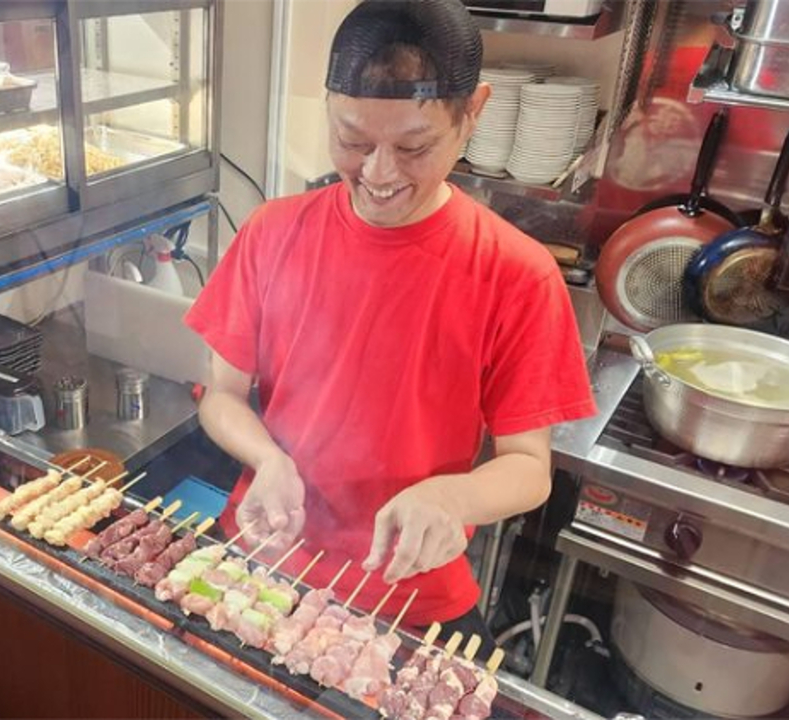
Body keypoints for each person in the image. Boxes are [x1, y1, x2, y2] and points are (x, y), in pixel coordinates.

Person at [184, 0, 596, 649]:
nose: (377, 174)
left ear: (474, 114)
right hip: (262, 554)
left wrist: (453, 499)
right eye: (352, 141)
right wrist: (266, 458)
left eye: (413, 147)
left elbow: (527, 468)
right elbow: (223, 397)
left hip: (408, 592)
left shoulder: (517, 274)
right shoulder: (274, 232)